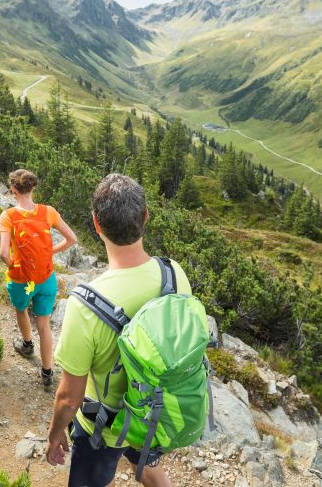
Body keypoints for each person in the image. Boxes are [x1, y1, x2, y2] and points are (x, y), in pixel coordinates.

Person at [46, 174, 190, 487]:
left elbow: (70, 398)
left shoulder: (85, 305)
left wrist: (55, 434)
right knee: (149, 468)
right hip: (155, 411)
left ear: (96, 224)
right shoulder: (174, 273)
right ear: (146, 217)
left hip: (105, 426)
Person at [0, 169, 77, 386]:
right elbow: (72, 239)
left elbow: (4, 254)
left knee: (21, 309)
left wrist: (16, 267)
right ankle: (47, 372)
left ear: (13, 190)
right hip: (46, 278)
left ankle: (26, 344)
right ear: (32, 188)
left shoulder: (8, 216)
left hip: (22, 280)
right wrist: (49, 252)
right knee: (44, 325)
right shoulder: (48, 211)